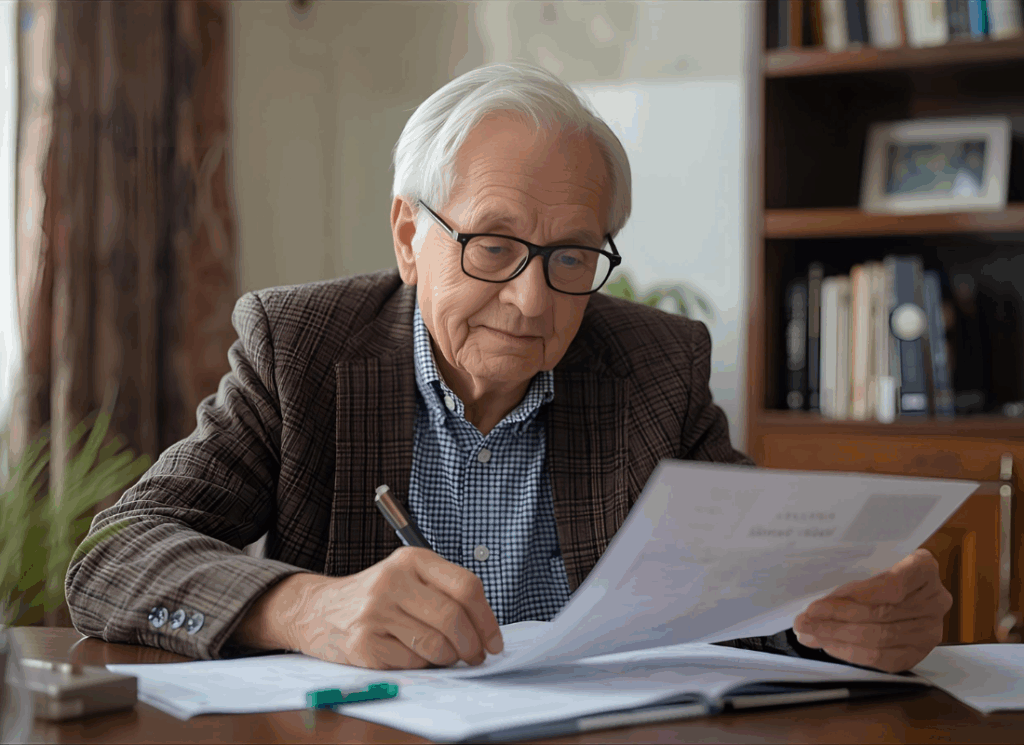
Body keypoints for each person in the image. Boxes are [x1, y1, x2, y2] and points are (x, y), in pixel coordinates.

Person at [66, 62, 950, 674]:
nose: (532, 302)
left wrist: (848, 617)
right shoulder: (302, 350)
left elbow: (751, 585)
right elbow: (114, 555)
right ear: (409, 237)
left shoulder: (654, 366)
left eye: (572, 256)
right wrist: (305, 608)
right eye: (492, 244)